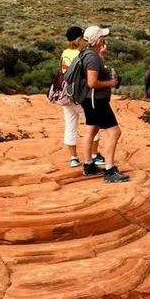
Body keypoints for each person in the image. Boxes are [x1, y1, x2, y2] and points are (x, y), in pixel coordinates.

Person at [79, 25, 128, 183]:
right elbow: (92, 82)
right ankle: (109, 170)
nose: (104, 39)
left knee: (91, 130)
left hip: (89, 100)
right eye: (102, 37)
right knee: (114, 133)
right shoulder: (92, 58)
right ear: (98, 40)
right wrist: (111, 83)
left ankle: (88, 165)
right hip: (97, 101)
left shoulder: (87, 54)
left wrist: (101, 55)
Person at [55, 25, 93, 168]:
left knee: (70, 125)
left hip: (65, 95)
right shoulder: (80, 54)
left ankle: (73, 158)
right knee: (92, 124)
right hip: (78, 95)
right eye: (83, 39)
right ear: (78, 40)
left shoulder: (65, 53)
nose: (84, 41)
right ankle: (94, 155)